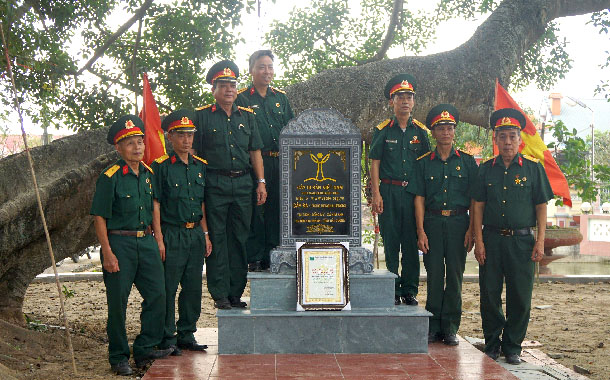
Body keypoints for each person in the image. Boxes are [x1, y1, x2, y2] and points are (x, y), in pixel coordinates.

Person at [90, 115, 172, 376]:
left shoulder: (148, 174)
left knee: (158, 294)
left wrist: (158, 239)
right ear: (118, 148)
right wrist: (107, 252)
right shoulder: (110, 176)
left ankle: (145, 347)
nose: (137, 148)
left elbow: (154, 207)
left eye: (140, 142)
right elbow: (99, 217)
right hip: (120, 243)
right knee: (118, 304)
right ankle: (118, 356)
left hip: (146, 241)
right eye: (130, 143)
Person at [472, 108, 553, 364]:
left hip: (522, 242)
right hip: (492, 240)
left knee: (520, 296)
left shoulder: (533, 169)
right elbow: (477, 207)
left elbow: (541, 206)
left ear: (520, 140)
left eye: (512, 136)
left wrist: (540, 240)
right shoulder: (485, 170)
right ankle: (493, 343)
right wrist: (479, 241)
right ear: (496, 140)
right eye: (503, 136)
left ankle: (513, 346)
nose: (508, 141)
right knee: (490, 293)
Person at [192, 60, 266, 309]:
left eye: (233, 85)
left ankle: (236, 291)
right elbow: (192, 153)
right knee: (218, 238)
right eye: (223, 85)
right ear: (214, 89)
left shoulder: (248, 116)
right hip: (215, 184)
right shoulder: (202, 117)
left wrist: (261, 182)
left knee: (240, 238)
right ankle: (220, 293)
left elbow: (255, 151)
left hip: (244, 184)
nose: (229, 90)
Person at [413, 104, 477, 345]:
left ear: (454, 131)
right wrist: (420, 231)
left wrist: (472, 229)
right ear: (433, 132)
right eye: (441, 128)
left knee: (455, 276)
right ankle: (433, 325)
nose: (446, 132)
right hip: (432, 222)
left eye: (450, 128)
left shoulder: (468, 162)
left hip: (460, 223)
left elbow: (474, 199)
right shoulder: (423, 163)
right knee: (434, 275)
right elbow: (418, 198)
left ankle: (450, 327)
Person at [152, 109, 212, 355]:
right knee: (169, 286)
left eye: (190, 135)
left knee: (193, 286)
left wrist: (206, 234)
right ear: (170, 137)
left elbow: (202, 203)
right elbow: (155, 203)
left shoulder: (200, 166)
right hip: (172, 233)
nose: (186, 140)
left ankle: (187, 333)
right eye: (181, 135)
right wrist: (159, 238)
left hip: (195, 233)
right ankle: (167, 336)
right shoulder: (161, 167)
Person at [369, 74, 430, 306]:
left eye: (409, 97)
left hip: (413, 195)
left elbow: (425, 164)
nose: (405, 101)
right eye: (400, 97)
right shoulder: (383, 130)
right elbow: (375, 162)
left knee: (411, 242)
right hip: (389, 192)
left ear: (413, 102)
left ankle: (410, 290)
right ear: (391, 102)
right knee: (392, 241)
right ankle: (393, 289)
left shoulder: (420, 132)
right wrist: (376, 194)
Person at [236, 49, 294, 272]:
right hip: (254, 163)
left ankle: (274, 252)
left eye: (270, 67)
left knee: (278, 208)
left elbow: (292, 130)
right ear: (251, 70)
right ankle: (255, 255)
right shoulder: (242, 98)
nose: (266, 71)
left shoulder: (281, 98)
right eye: (261, 67)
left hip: (280, 162)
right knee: (256, 208)